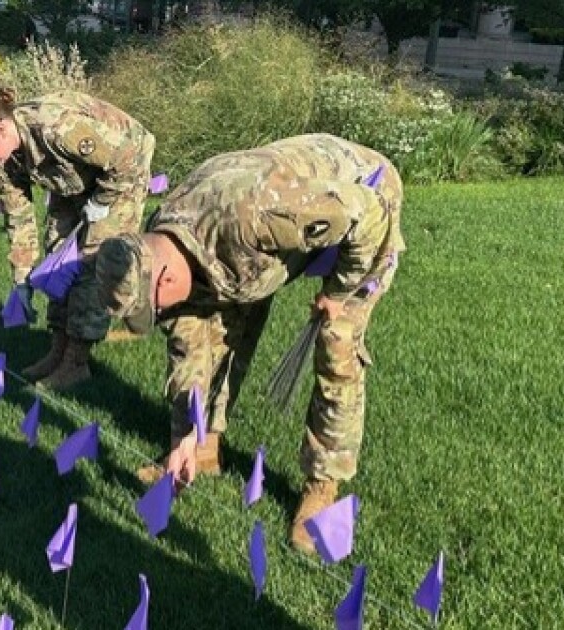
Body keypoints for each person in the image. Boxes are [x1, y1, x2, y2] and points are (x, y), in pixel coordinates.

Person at [94, 134, 405, 554]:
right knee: (206, 327)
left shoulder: (260, 215)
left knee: (337, 342)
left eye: (152, 308)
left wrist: (341, 290)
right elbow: (190, 343)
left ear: (165, 278)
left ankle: (322, 486)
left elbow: (368, 213)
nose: (156, 318)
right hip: (251, 248)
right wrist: (188, 432)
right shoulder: (165, 236)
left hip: (364, 198)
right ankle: (203, 449)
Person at [0, 85, 155, 390]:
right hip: (72, 180)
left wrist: (102, 201)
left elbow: (125, 157)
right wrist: (22, 281)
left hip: (121, 173)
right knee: (58, 258)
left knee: (90, 263)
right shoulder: (5, 158)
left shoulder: (57, 128)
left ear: (2, 128)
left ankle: (76, 362)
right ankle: (58, 348)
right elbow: (18, 217)